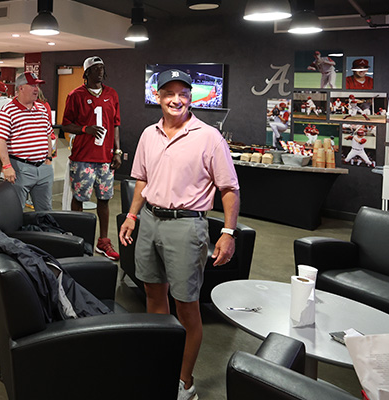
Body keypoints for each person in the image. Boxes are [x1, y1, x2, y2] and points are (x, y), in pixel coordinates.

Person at [118, 69, 240, 400]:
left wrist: (228, 232)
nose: (176, 99)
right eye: (169, 93)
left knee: (186, 305)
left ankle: (184, 382)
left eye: (183, 94)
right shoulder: (148, 134)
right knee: (154, 296)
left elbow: (228, 188)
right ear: (158, 97)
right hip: (150, 220)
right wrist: (132, 215)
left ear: (191, 97)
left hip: (187, 226)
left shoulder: (208, 137)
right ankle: (162, 363)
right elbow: (142, 179)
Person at [60, 56, 122, 259]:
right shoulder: (75, 95)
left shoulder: (112, 94)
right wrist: (85, 129)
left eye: (102, 68)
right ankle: (78, 240)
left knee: (105, 199)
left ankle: (103, 242)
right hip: (83, 158)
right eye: (96, 68)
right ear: (86, 73)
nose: (100, 71)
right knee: (79, 200)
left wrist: (118, 151)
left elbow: (116, 124)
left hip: (105, 158)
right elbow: (66, 125)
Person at [0, 72, 54, 211]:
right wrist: (7, 166)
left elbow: (48, 134)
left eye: (37, 85)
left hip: (43, 167)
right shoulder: (8, 110)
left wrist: (48, 158)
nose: (36, 89)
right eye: (32, 85)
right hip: (20, 168)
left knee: (45, 211)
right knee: (15, 210)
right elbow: (0, 139)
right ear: (21, 88)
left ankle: (43, 232)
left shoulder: (42, 109)